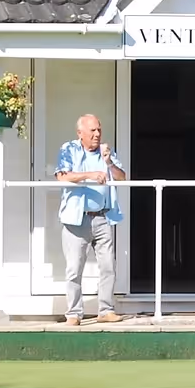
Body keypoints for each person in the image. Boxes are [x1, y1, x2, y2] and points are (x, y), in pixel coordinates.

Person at [55, 114, 126, 326]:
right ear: (80, 134)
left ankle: (105, 310)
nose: (97, 134)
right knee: (74, 268)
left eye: (99, 130)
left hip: (103, 216)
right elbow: (62, 176)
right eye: (92, 131)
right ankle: (74, 314)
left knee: (107, 266)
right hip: (77, 220)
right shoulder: (69, 149)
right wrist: (90, 174)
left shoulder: (106, 151)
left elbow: (122, 177)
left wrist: (109, 162)